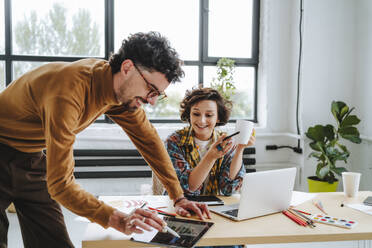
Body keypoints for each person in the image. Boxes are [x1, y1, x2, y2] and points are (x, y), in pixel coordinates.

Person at [0, 32, 210, 248]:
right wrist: (119, 219)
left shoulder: (121, 96)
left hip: (30, 157)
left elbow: (150, 142)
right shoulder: (70, 91)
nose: (152, 101)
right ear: (127, 68)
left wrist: (179, 197)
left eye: (158, 94)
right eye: (151, 89)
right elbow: (61, 185)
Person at [164, 88, 255, 248]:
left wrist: (240, 148)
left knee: (231, 245)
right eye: (196, 114)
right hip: (185, 211)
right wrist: (211, 156)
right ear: (189, 114)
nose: (202, 121)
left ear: (218, 117)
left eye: (209, 115)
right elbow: (189, 187)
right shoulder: (174, 141)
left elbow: (229, 188)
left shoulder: (226, 142)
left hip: (215, 212)